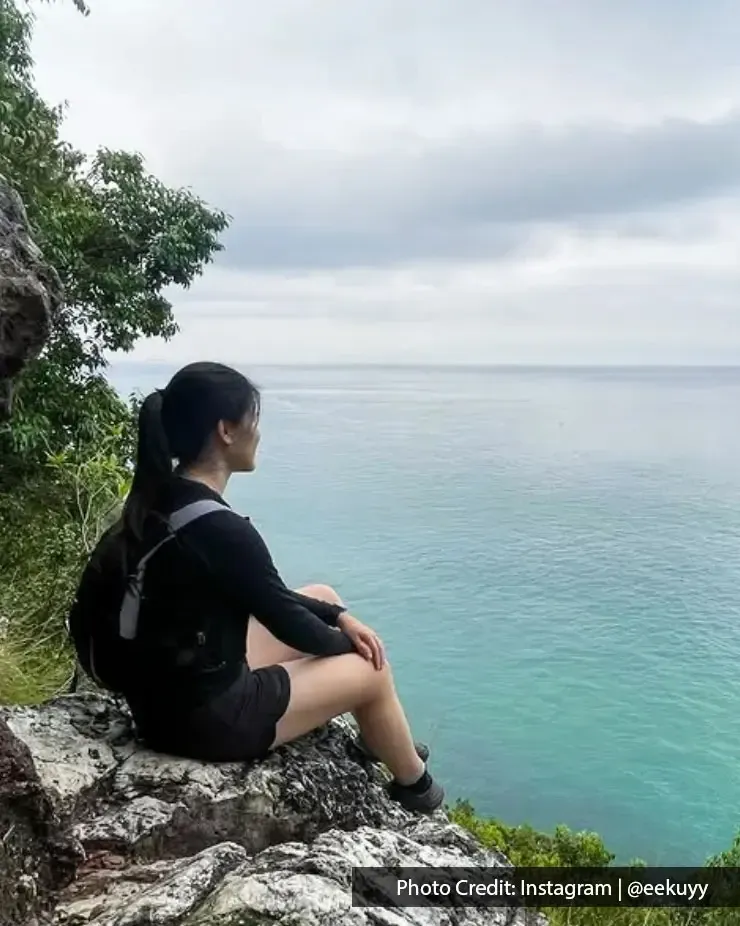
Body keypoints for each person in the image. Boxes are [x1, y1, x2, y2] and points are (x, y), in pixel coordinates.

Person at [70, 361, 444, 813]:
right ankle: (415, 786)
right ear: (226, 430)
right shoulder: (222, 530)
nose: (259, 433)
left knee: (323, 595)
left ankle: (376, 733)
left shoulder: (160, 499)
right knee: (372, 668)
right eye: (254, 420)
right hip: (207, 722)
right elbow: (294, 628)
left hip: (162, 698)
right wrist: (349, 644)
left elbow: (273, 596)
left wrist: (338, 615)